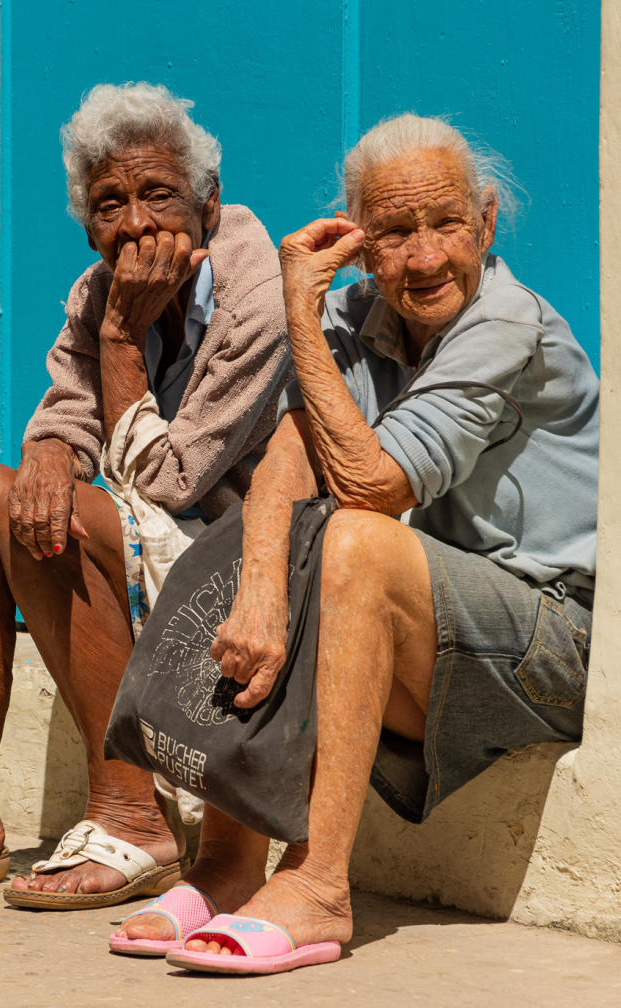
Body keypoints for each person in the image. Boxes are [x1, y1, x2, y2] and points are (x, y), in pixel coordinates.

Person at [110, 113, 598, 973]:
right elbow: (293, 455)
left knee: (356, 542)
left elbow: (373, 486)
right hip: (450, 638)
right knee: (282, 531)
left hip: (554, 643)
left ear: (485, 224)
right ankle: (227, 867)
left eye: (446, 224)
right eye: (396, 232)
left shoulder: (505, 320)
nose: (424, 258)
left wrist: (297, 307)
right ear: (362, 243)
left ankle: (320, 885)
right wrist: (260, 591)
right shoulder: (361, 313)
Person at [0, 82, 290, 907]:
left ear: (208, 203)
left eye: (158, 196)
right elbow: (67, 411)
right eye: (111, 204)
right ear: (88, 224)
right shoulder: (98, 288)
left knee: (58, 514)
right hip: (153, 536)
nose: (138, 225)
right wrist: (46, 449)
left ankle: (133, 815)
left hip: (247, 559)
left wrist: (119, 342)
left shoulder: (260, 294)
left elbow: (173, 479)